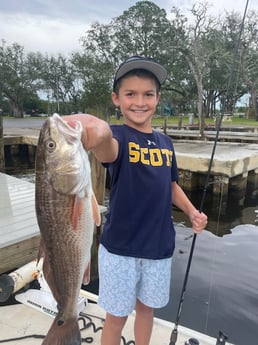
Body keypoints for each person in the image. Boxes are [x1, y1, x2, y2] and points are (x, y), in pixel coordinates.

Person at [65, 56, 208, 345]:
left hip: (159, 247)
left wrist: (192, 211)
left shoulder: (166, 143)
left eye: (148, 94)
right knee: (116, 317)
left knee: (147, 310)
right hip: (120, 249)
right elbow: (105, 147)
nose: (139, 102)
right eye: (130, 94)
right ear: (116, 99)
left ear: (158, 98)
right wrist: (97, 130)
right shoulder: (118, 136)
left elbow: (170, 185)